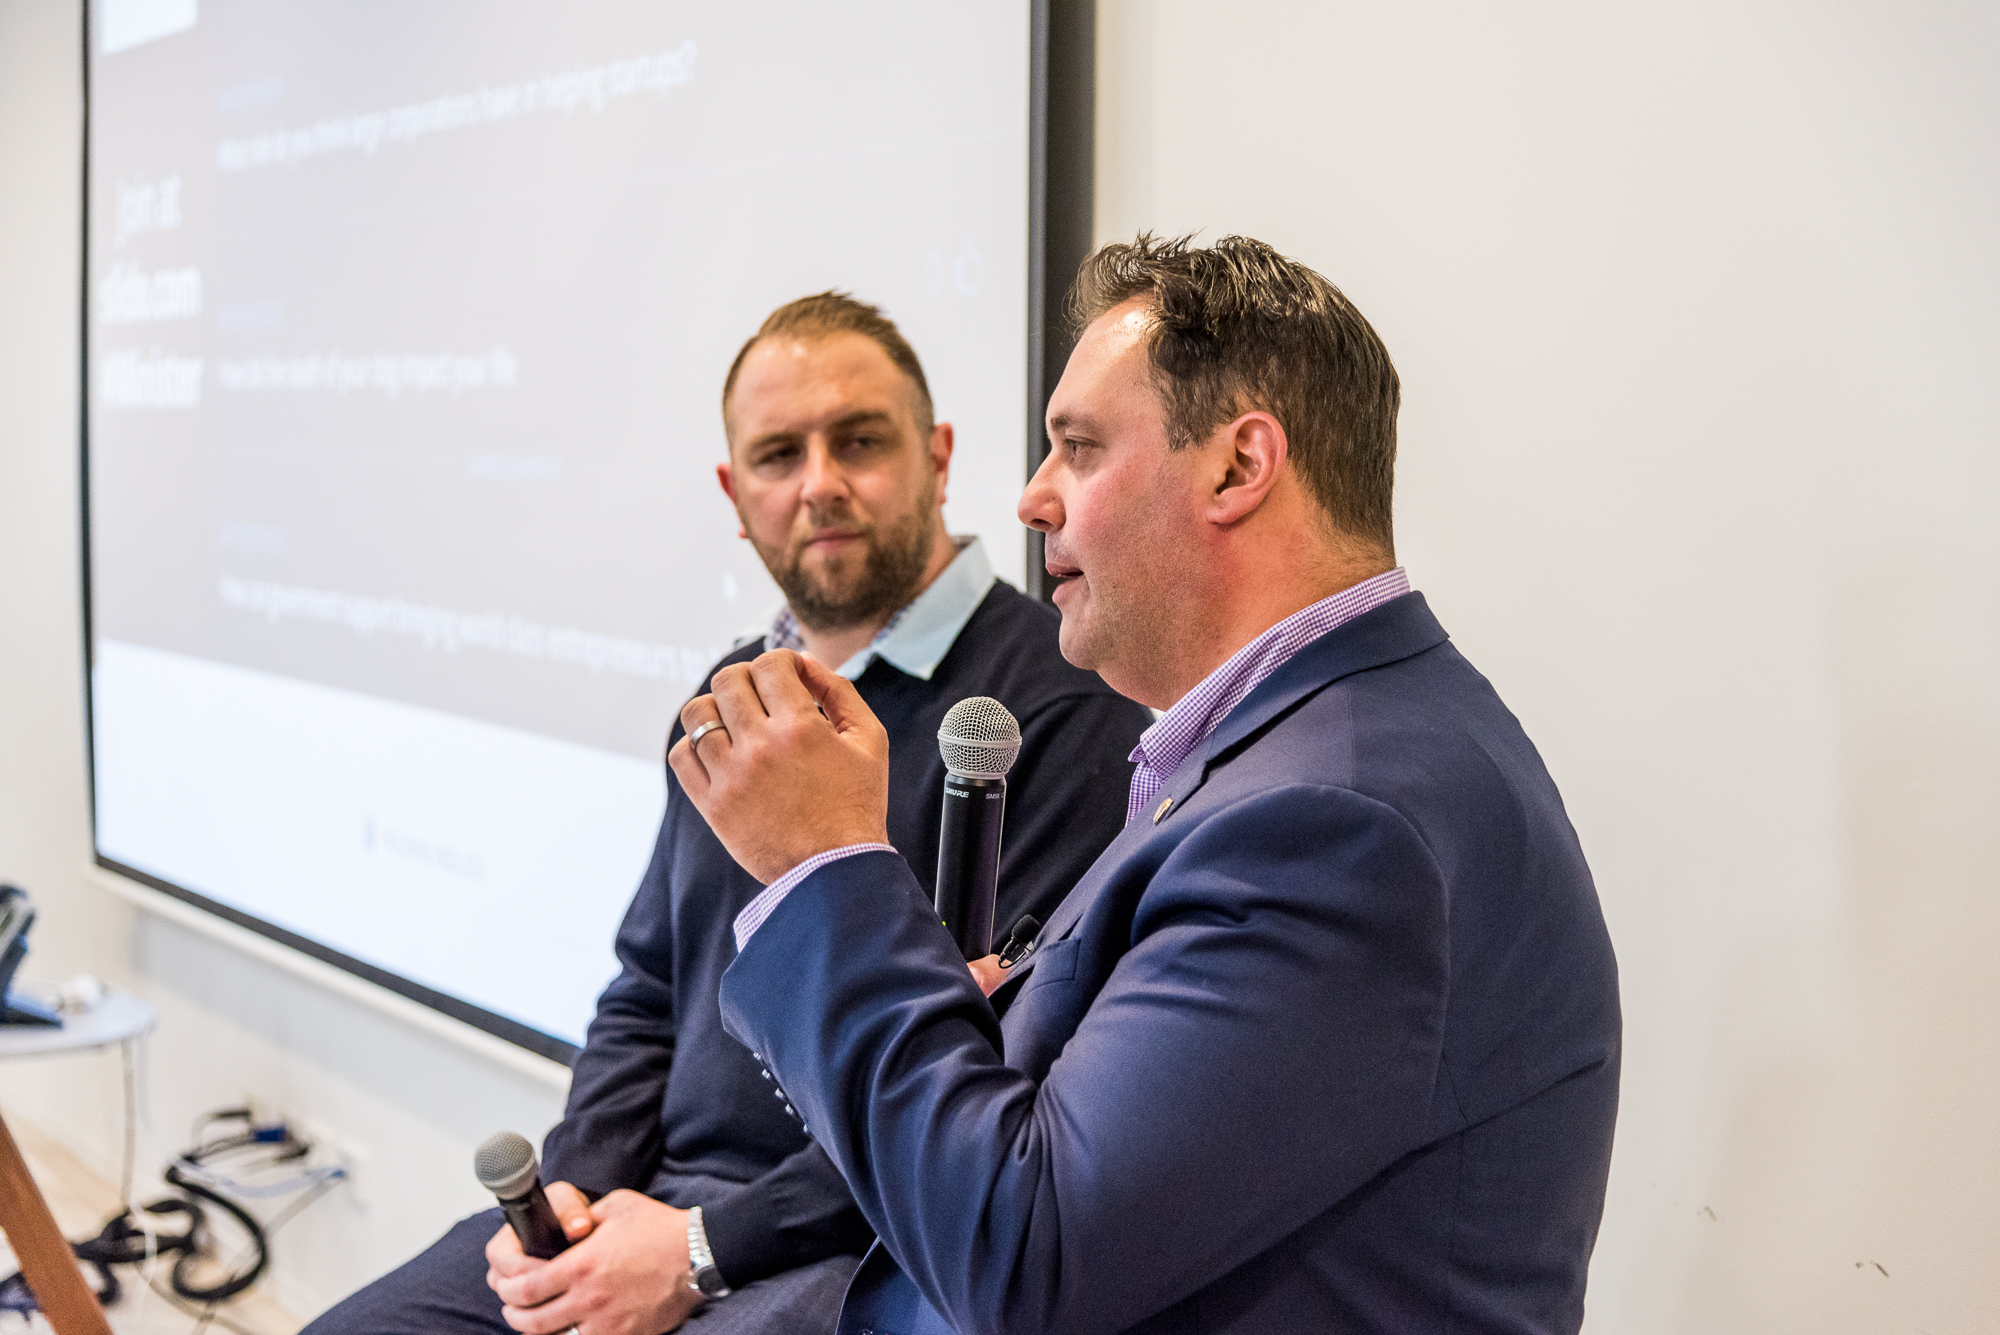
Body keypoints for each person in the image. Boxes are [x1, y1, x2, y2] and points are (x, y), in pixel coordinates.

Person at [669, 236, 1623, 1335]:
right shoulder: (1297, 746)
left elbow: (1026, 1259)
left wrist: (824, 866)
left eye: (1076, 447)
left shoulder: (1333, 825)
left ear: (1235, 467)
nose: (1031, 500)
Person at [302, 294, 1153, 1335]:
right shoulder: (729, 698)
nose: (820, 485)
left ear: (937, 457)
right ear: (733, 494)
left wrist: (699, 1251)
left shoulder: (1048, 716)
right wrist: (572, 1200)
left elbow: (994, 1090)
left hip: (848, 1239)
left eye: (859, 441)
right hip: (646, 1203)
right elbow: (649, 986)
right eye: (777, 456)